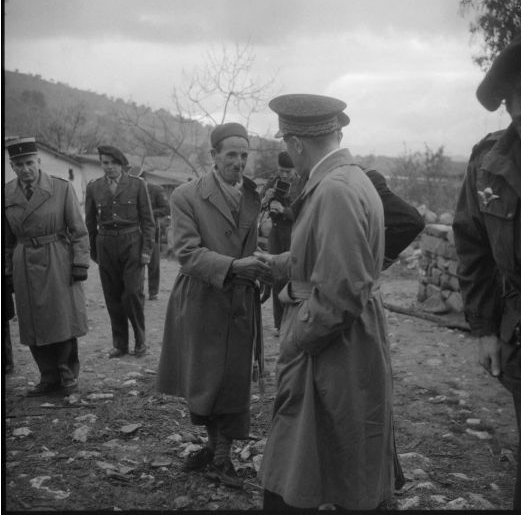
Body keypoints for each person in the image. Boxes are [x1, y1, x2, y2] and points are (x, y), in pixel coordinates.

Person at [257, 94, 397, 510]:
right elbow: (332, 256)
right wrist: (283, 264)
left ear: (297, 143)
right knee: (336, 457)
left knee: (302, 466)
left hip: (331, 344)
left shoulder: (333, 190)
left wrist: (297, 337)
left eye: (287, 144)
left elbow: (340, 291)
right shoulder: (350, 179)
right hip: (345, 339)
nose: (288, 153)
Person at [452, 18, 521, 511]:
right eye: (510, 97)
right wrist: (485, 328)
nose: (517, 109)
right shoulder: (488, 161)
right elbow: (472, 242)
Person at [156, 122, 271, 488]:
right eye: (231, 155)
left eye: (244, 155)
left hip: (240, 300)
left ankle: (220, 458)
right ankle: (213, 450)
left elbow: (254, 244)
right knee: (206, 378)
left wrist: (262, 273)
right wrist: (235, 267)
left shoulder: (253, 196)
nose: (238, 162)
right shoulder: (187, 196)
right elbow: (186, 253)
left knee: (235, 379)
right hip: (203, 298)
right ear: (214, 157)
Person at [4, 139, 89, 396]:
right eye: (19, 164)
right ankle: (47, 376)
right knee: (32, 321)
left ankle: (67, 375)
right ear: (12, 166)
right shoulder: (6, 193)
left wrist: (80, 263)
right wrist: (7, 269)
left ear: (38, 162)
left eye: (29, 162)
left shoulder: (61, 188)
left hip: (56, 258)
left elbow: (78, 229)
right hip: (24, 260)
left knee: (61, 318)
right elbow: (6, 239)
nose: (25, 168)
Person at [85, 146, 155, 359]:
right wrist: (95, 250)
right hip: (105, 243)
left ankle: (140, 341)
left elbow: (148, 221)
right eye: (105, 163)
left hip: (132, 242)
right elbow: (90, 222)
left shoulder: (137, 185)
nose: (109, 167)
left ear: (121, 165)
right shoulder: (94, 187)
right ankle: (120, 344)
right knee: (112, 296)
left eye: (113, 163)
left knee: (133, 293)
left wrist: (146, 251)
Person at [259, 151, 304, 332]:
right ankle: (279, 325)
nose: (284, 175)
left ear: (294, 170)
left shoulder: (302, 184)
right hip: (275, 235)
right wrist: (266, 198)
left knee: (294, 276)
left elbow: (304, 212)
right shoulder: (272, 181)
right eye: (281, 171)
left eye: (288, 171)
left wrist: (284, 210)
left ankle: (293, 323)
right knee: (277, 276)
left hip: (295, 235)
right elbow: (259, 205)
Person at [127, 166, 170, 300]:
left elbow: (166, 209)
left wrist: (148, 214)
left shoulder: (156, 190)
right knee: (135, 261)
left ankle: (153, 292)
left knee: (153, 262)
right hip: (134, 232)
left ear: (143, 178)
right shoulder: (130, 191)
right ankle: (136, 290)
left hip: (152, 231)